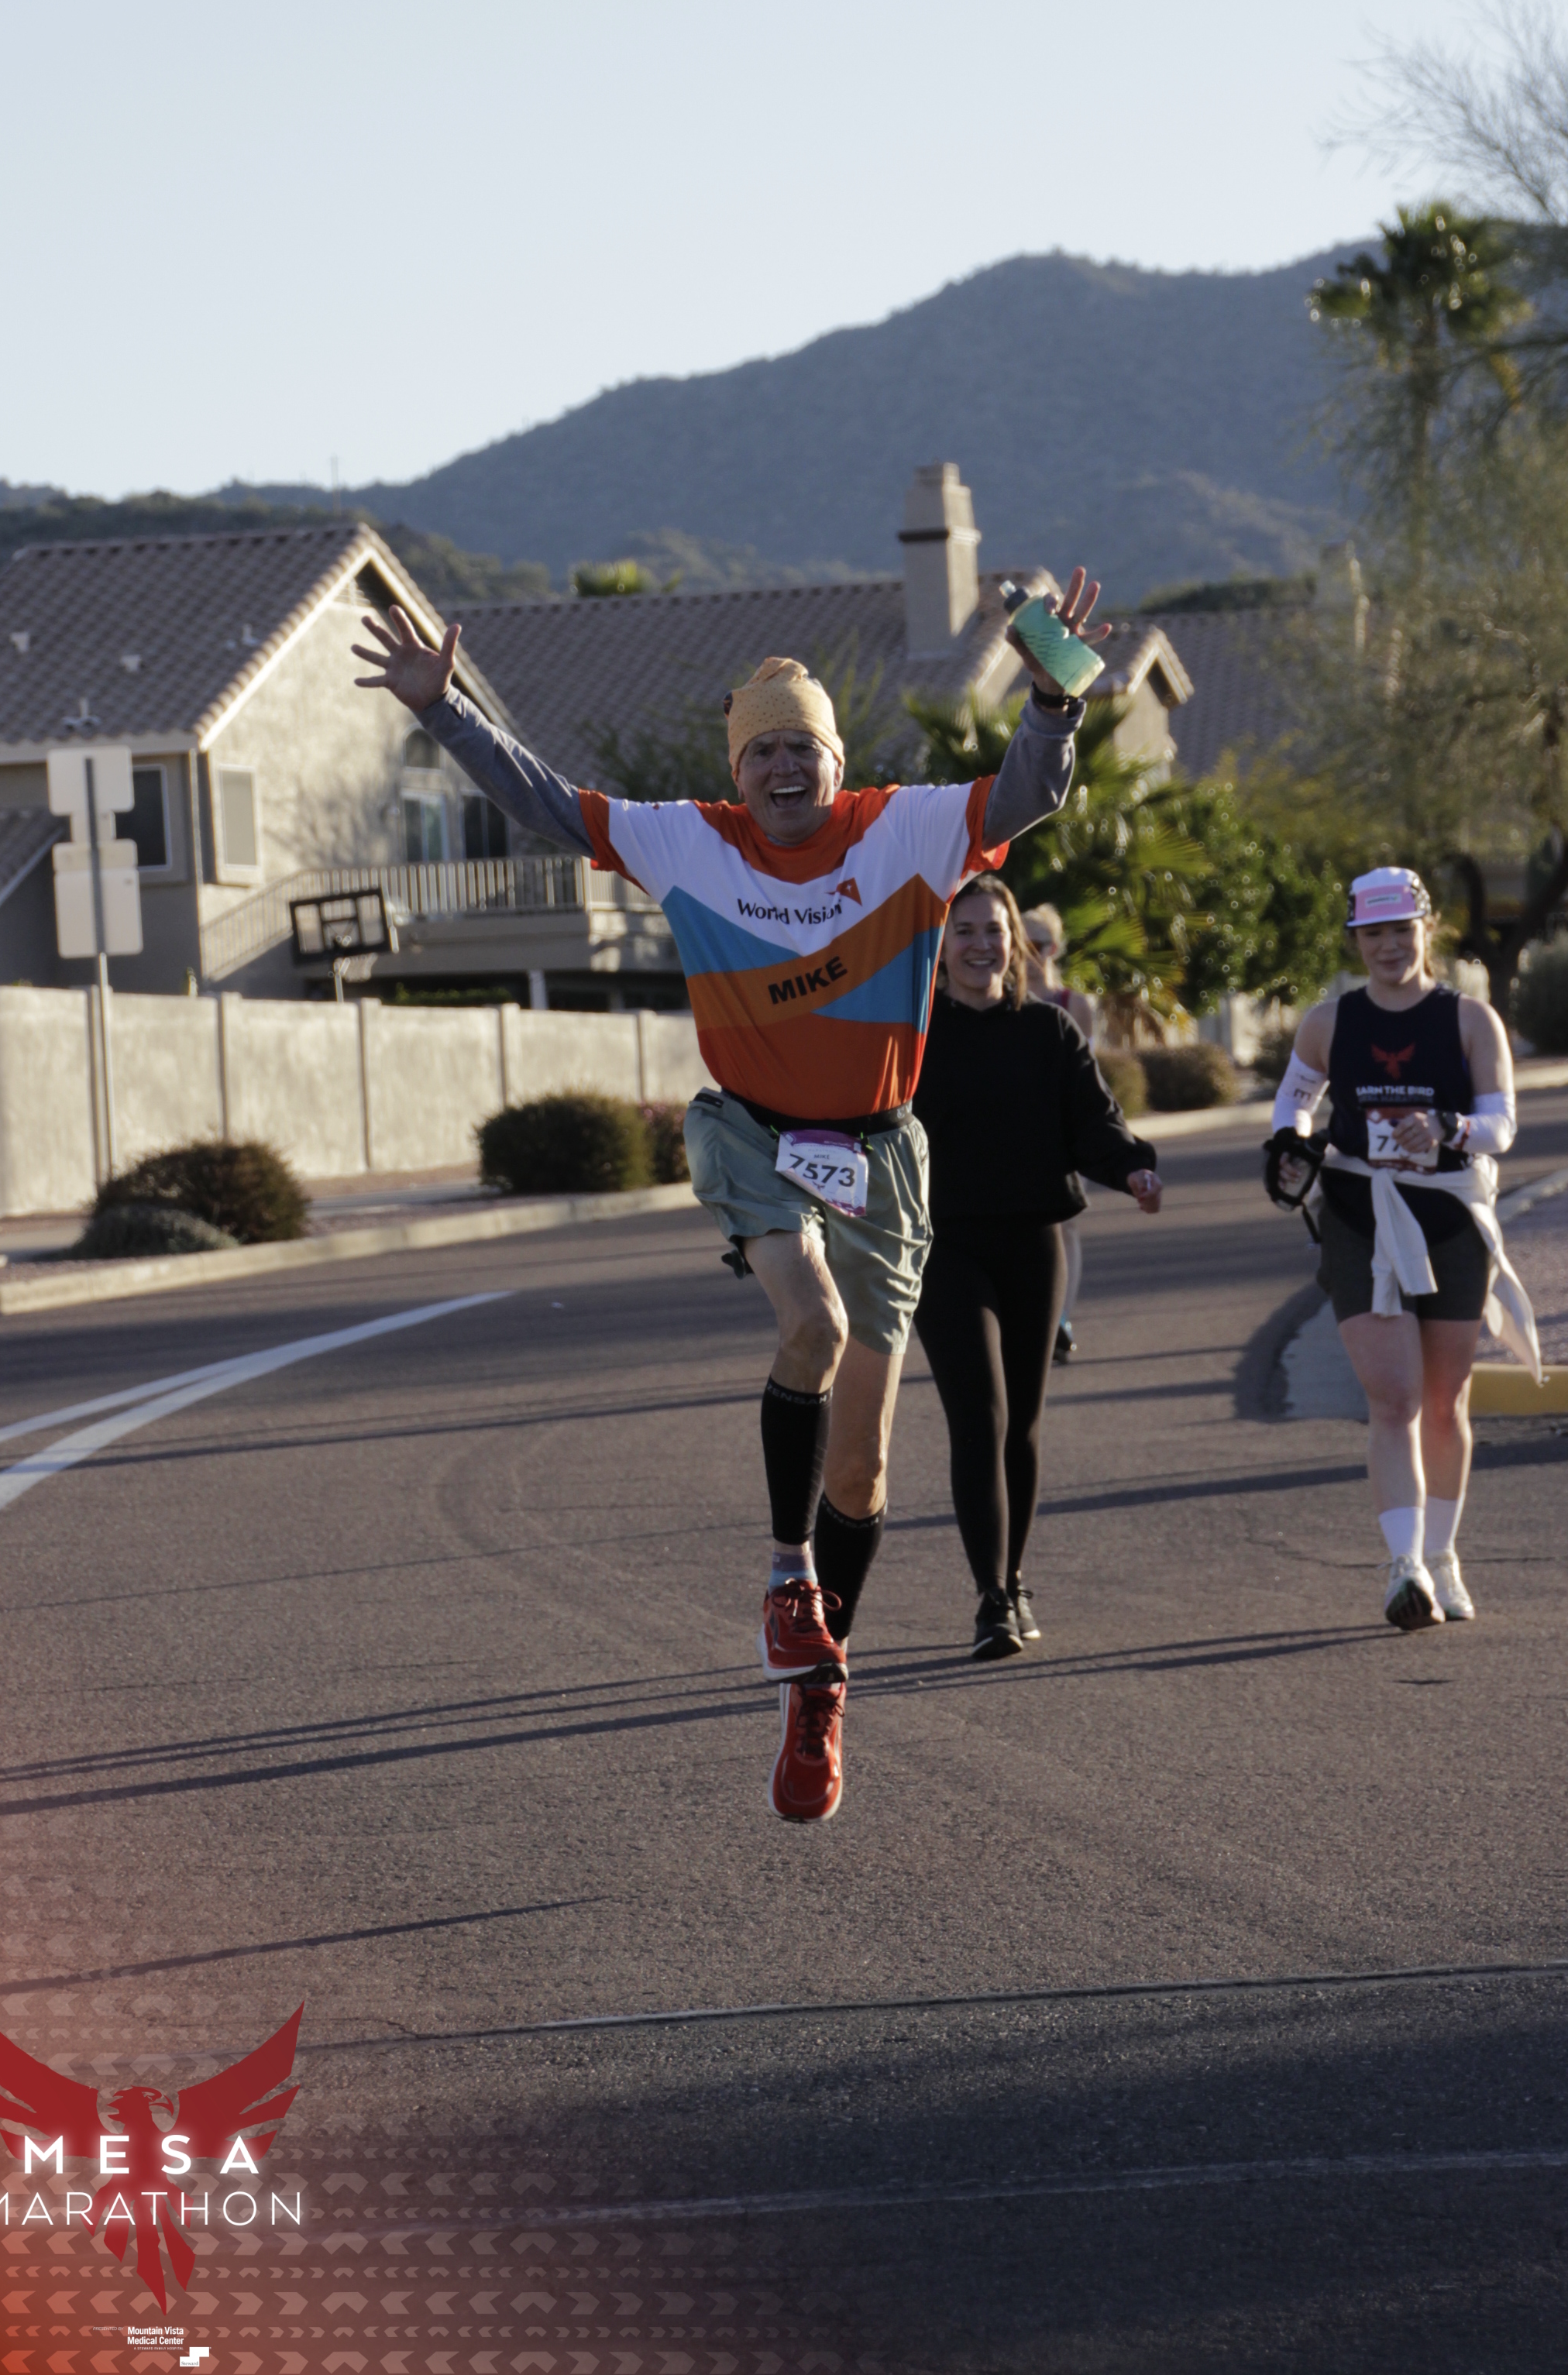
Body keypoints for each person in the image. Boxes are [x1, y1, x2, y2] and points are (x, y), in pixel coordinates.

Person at [352, 573, 1102, 1820]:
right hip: (755, 1135)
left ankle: (820, 1680)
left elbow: (1028, 792)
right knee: (808, 1324)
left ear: (835, 761)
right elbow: (545, 803)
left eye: (802, 748)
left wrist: (1052, 703)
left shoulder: (909, 830)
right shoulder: (688, 841)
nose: (782, 769)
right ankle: (784, 1571)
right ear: (736, 771)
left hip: (882, 1154)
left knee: (864, 1466)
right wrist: (444, 710)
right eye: (761, 753)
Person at [1264, 866, 1537, 1632]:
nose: (1389, 946)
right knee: (1393, 1399)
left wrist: (1449, 1127)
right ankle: (1404, 1566)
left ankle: (1442, 1557)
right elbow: (1294, 1097)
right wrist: (1291, 1144)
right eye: (1373, 933)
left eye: (1401, 930)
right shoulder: (1329, 1022)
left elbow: (1502, 1125)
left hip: (1450, 1218)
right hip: (1361, 1217)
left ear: (1428, 929)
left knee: (1445, 1402)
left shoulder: (1471, 1020)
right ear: (1356, 939)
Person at [912, 875, 1161, 1658]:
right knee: (978, 1418)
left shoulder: (1047, 1031)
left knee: (1021, 1424)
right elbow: (871, 1126)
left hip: (1032, 1241)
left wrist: (1133, 1169)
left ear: (1014, 941)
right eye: (964, 931)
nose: (980, 945)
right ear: (941, 947)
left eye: (994, 930)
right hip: (945, 1248)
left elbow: (1094, 1122)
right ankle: (991, 1599)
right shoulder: (913, 1036)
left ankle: (1016, 1579)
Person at [1020, 903, 1095, 1361]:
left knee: (1065, 1224)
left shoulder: (1073, 1004)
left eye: (1040, 944)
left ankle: (1061, 1319)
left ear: (1055, 949)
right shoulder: (1001, 999)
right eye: (1023, 943)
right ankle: (1028, 1318)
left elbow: (1087, 1076)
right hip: (1013, 1131)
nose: (1031, 954)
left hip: (1062, 1127)